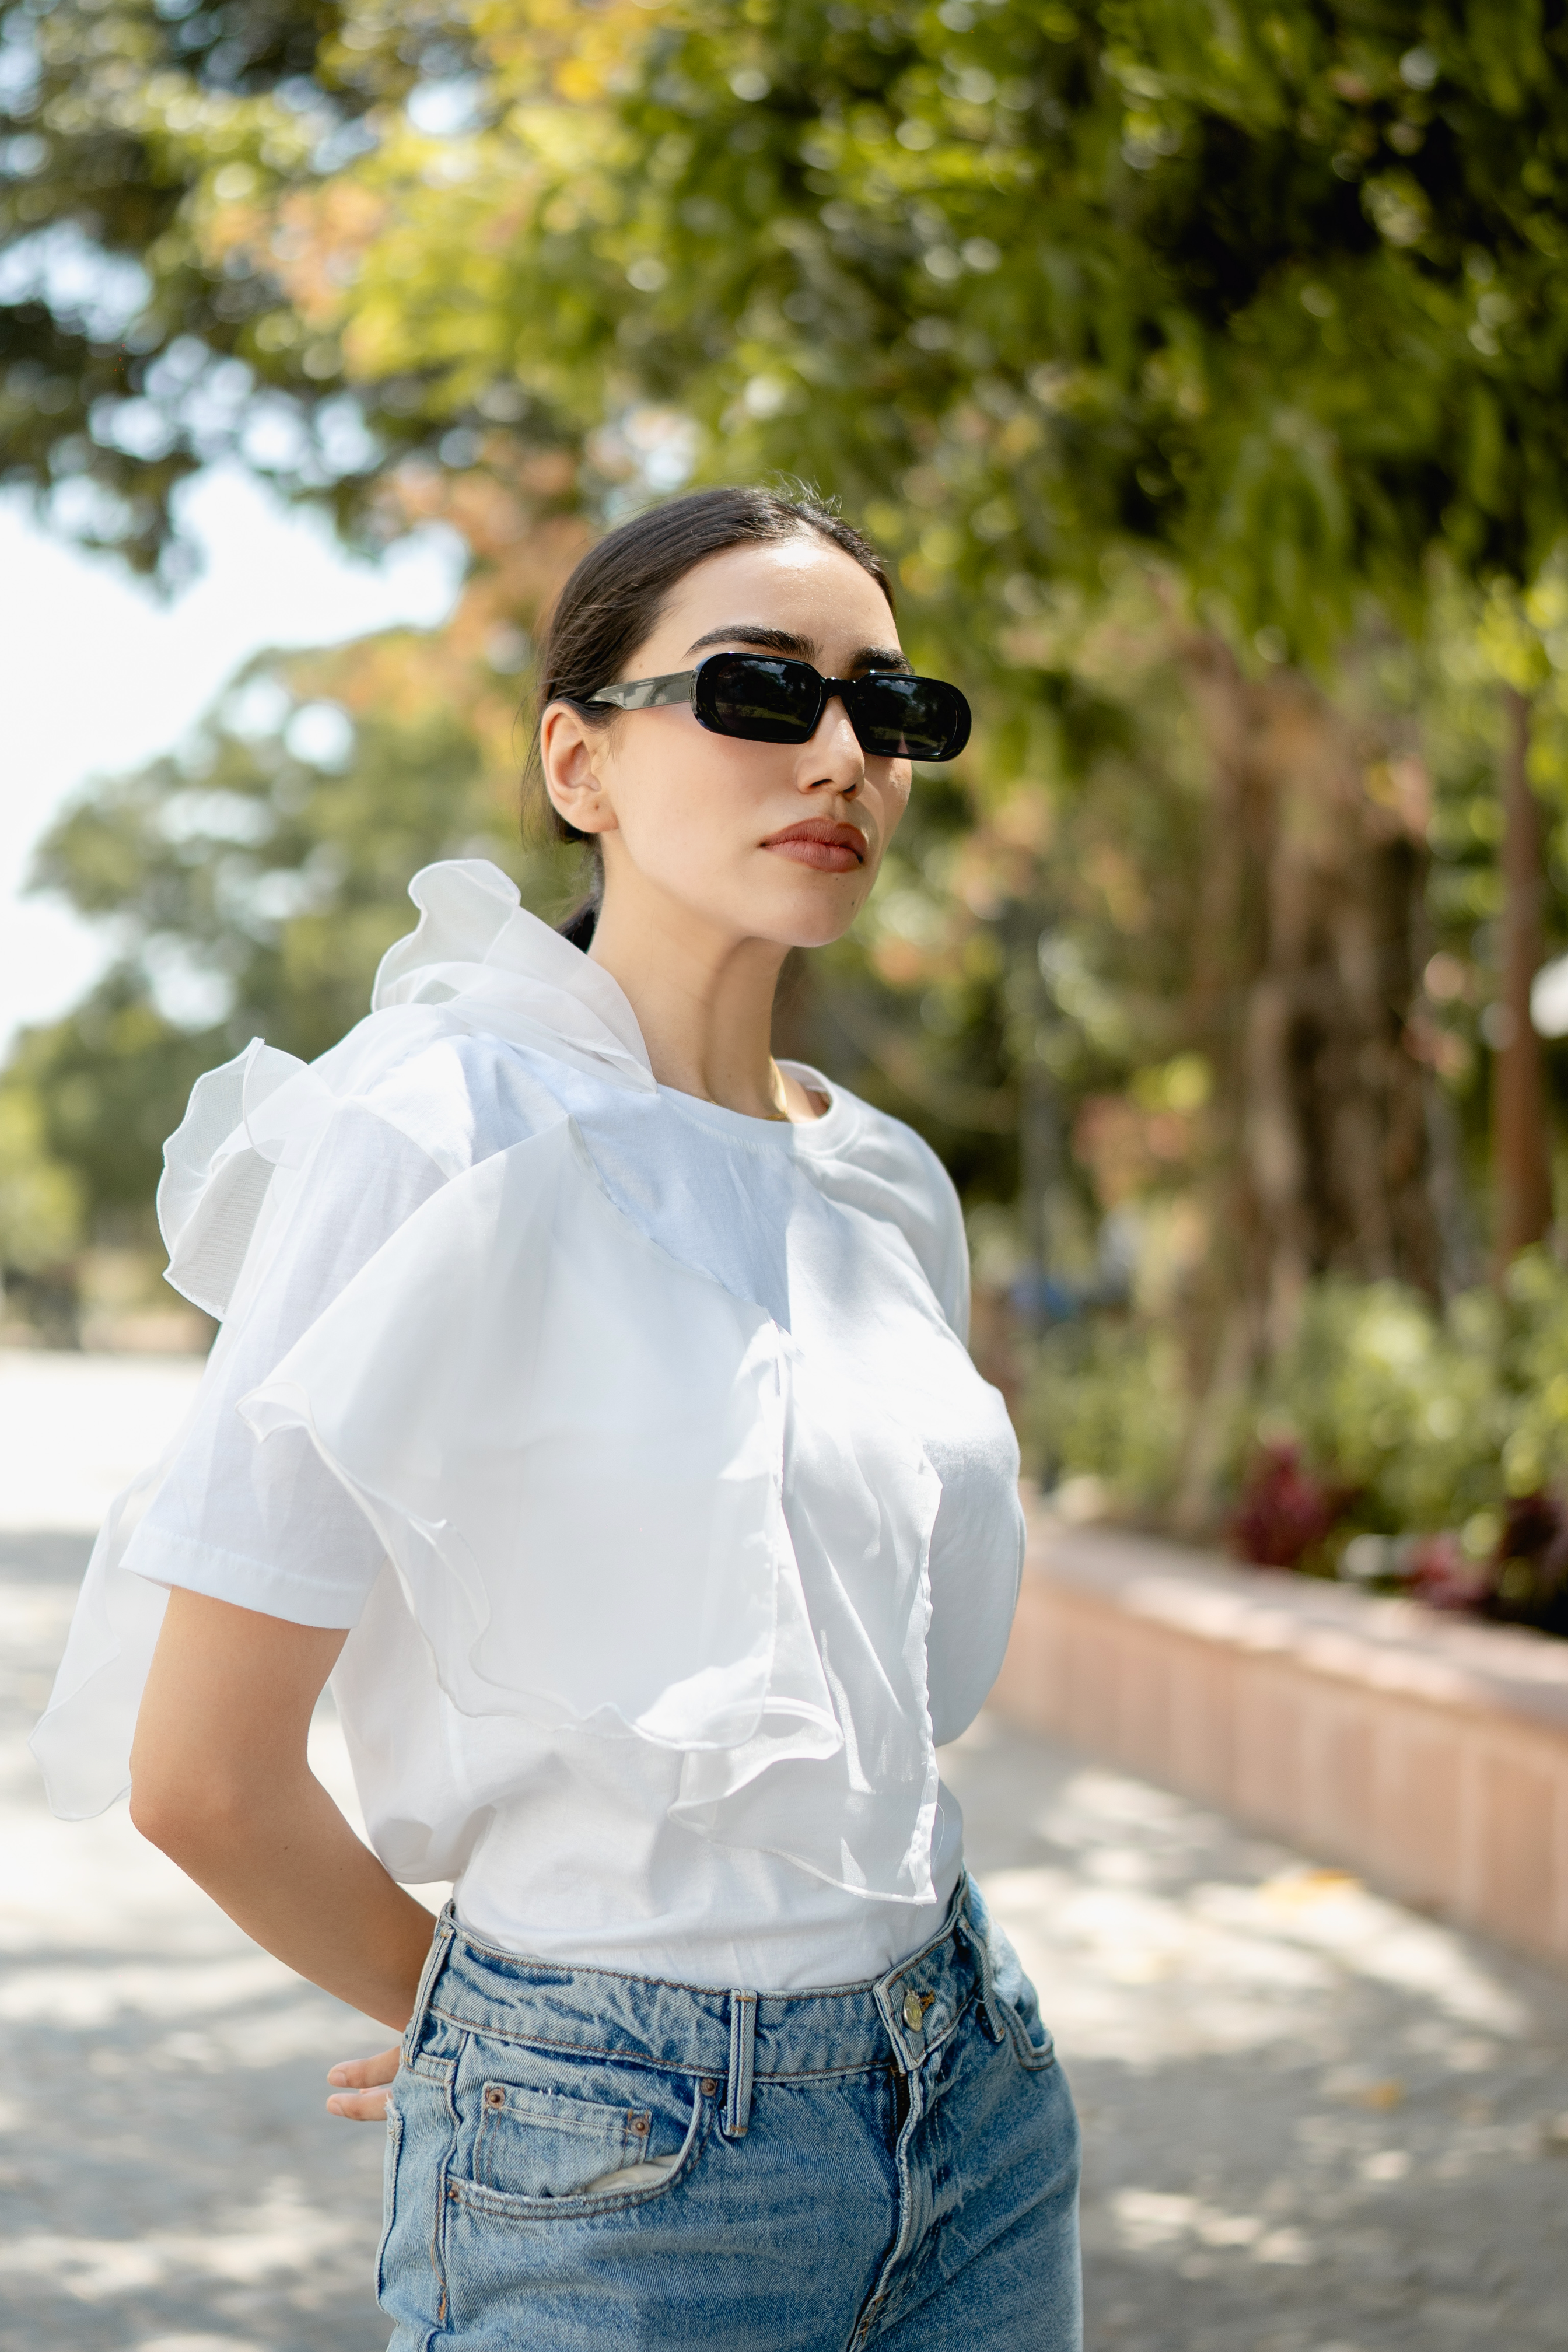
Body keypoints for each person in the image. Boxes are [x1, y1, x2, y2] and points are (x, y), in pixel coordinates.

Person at [33, 484, 1081, 2348]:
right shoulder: (438, 1131)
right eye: (761, 690)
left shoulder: (892, 1183)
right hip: (620, 2173)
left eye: (889, 709)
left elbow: (886, 1697)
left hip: (974, 2092)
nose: (841, 751)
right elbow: (203, 1773)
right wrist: (500, 2046)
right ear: (577, 761)